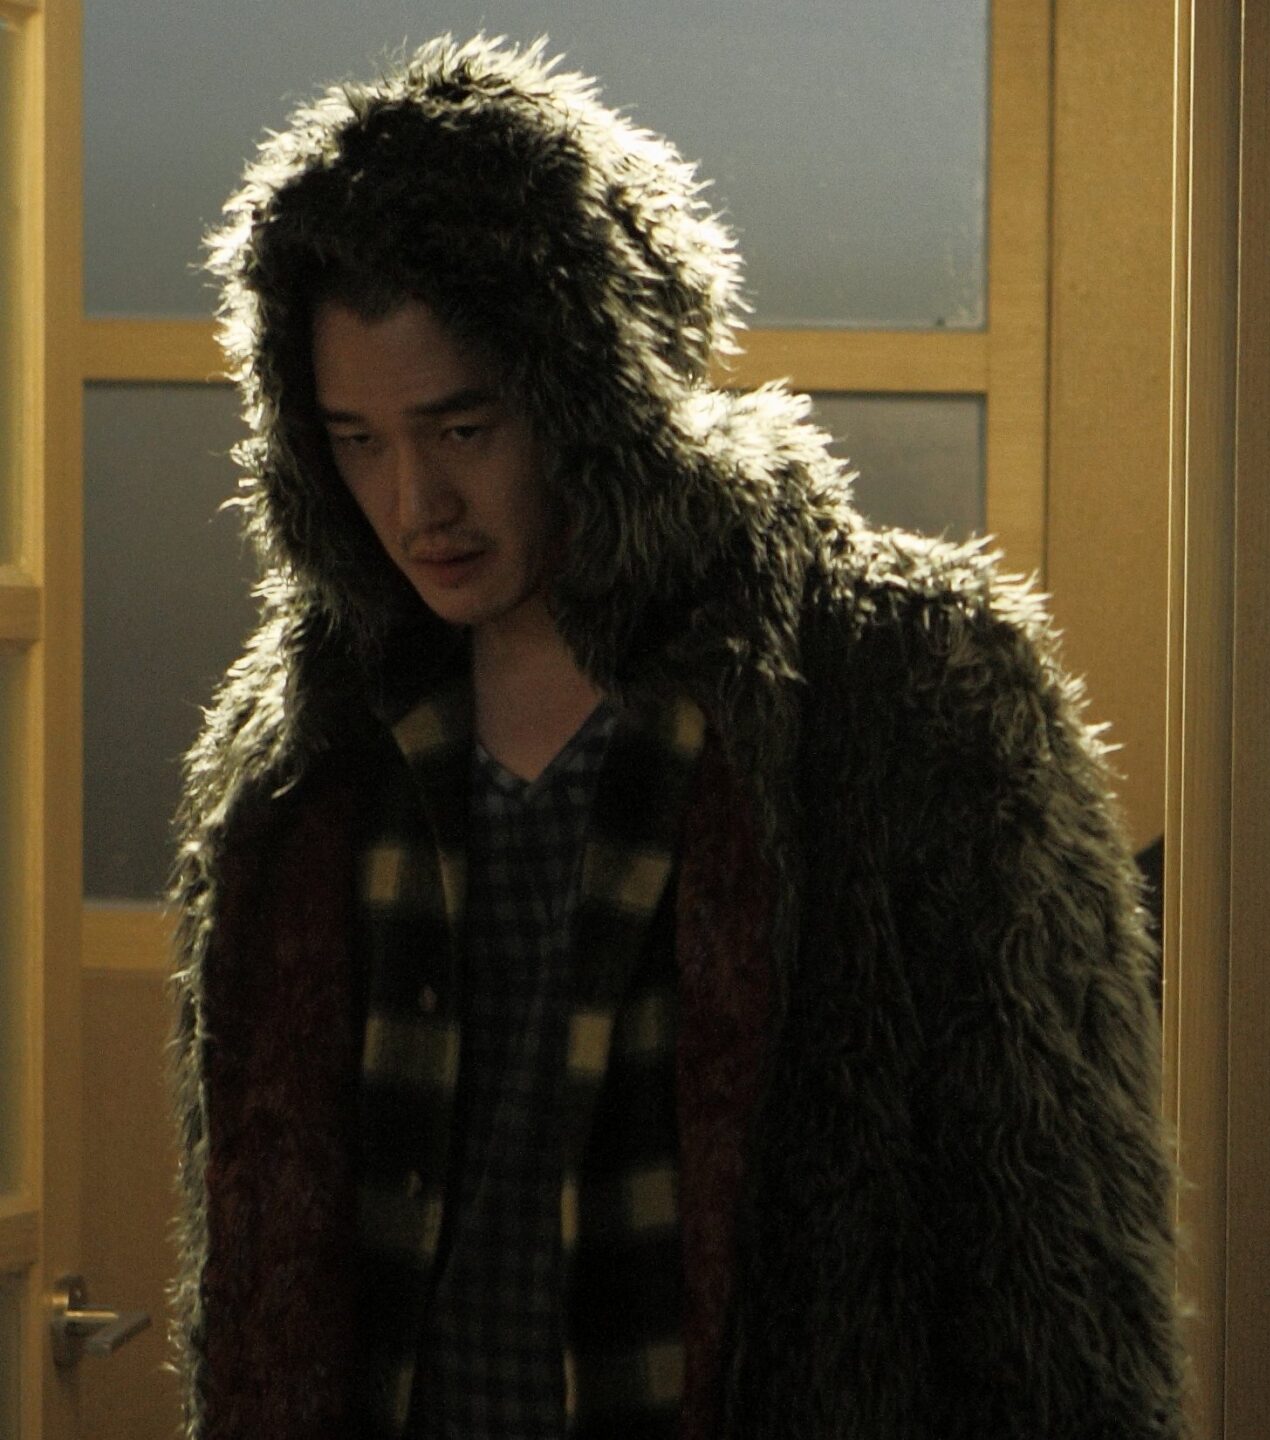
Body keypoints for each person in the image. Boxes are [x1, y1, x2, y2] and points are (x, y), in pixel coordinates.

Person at [166, 35, 1183, 1440]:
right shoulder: (301, 748)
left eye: (462, 429)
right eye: (356, 440)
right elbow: (262, 1255)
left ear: (596, 396)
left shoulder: (903, 692)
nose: (413, 505)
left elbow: (1055, 1255)